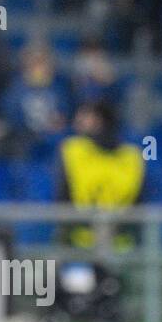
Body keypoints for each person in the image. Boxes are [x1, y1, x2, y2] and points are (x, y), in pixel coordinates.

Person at [56, 99, 145, 249]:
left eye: (85, 115)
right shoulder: (72, 149)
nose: (78, 120)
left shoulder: (132, 156)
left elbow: (139, 202)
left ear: (100, 120)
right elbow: (63, 198)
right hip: (80, 244)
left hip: (121, 246)